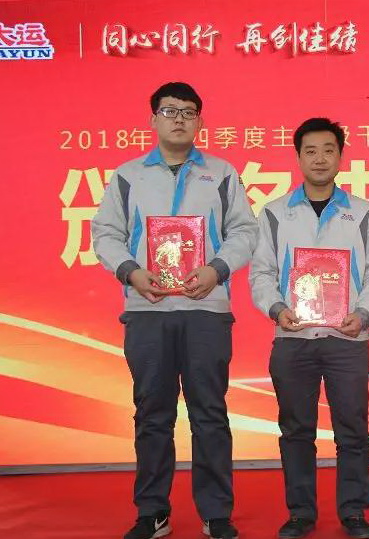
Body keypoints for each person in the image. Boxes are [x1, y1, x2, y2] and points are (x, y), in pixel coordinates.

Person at [92, 82, 257, 539]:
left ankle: (216, 513)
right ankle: (152, 512)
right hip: (147, 311)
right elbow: (105, 233)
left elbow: (245, 231)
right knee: (152, 414)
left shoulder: (221, 173)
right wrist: (131, 272)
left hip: (206, 310)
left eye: (188, 111)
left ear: (200, 121)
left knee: (210, 413)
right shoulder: (128, 175)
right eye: (169, 111)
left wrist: (217, 269)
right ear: (153, 120)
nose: (179, 118)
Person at [249, 117, 369, 539]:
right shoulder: (275, 213)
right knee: (295, 430)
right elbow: (261, 272)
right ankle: (300, 513)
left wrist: (364, 313)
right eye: (310, 151)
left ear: (341, 156)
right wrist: (276, 309)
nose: (320, 158)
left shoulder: (363, 212)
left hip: (347, 337)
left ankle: (353, 511)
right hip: (293, 337)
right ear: (298, 157)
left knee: (353, 429)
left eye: (329, 150)